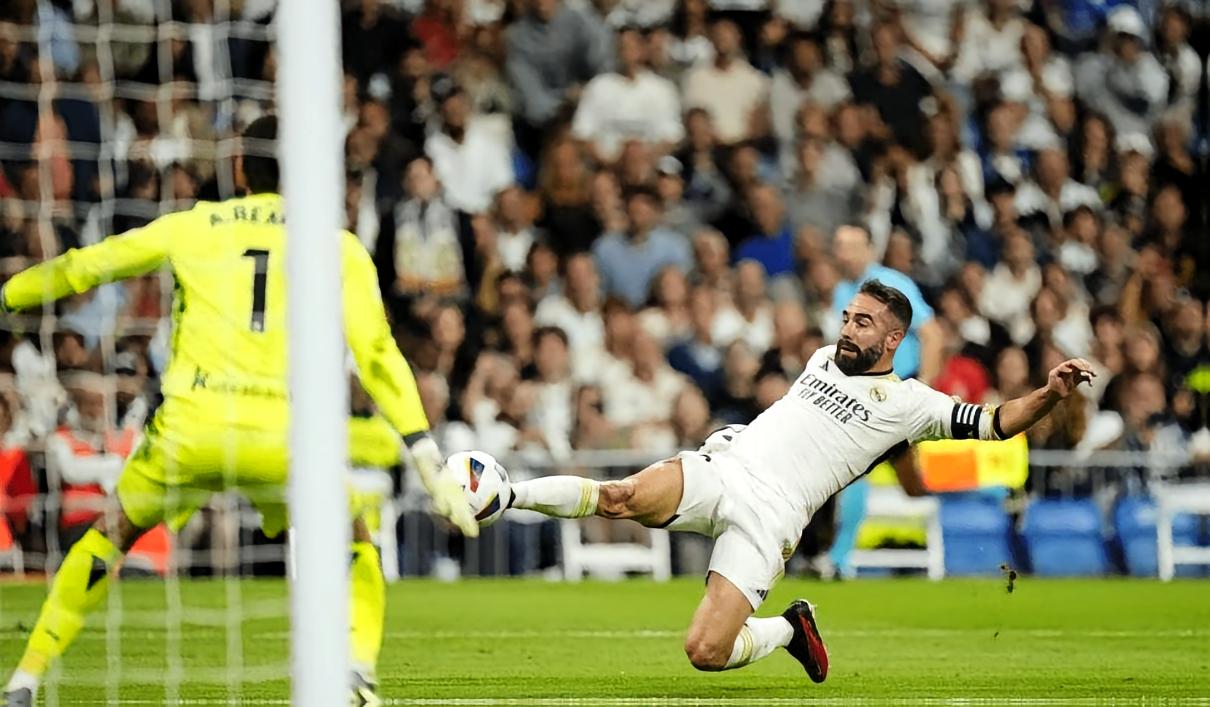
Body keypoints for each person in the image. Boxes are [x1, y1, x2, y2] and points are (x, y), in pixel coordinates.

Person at [0, 116, 479, 707]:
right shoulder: (337, 247)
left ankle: (25, 680)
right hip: (283, 438)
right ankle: (356, 674)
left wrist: (9, 294)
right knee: (356, 543)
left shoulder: (195, 225)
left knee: (108, 539)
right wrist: (426, 455)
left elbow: (86, 265)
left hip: (190, 430)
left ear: (238, 169)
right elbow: (377, 355)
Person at [504, 279, 1095, 677]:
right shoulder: (821, 358)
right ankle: (504, 494)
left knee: (705, 651)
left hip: (772, 518)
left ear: (893, 339)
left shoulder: (911, 404)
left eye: (864, 323)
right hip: (726, 470)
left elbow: (995, 423)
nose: (848, 329)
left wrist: (1048, 393)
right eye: (847, 317)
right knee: (620, 496)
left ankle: (790, 630)